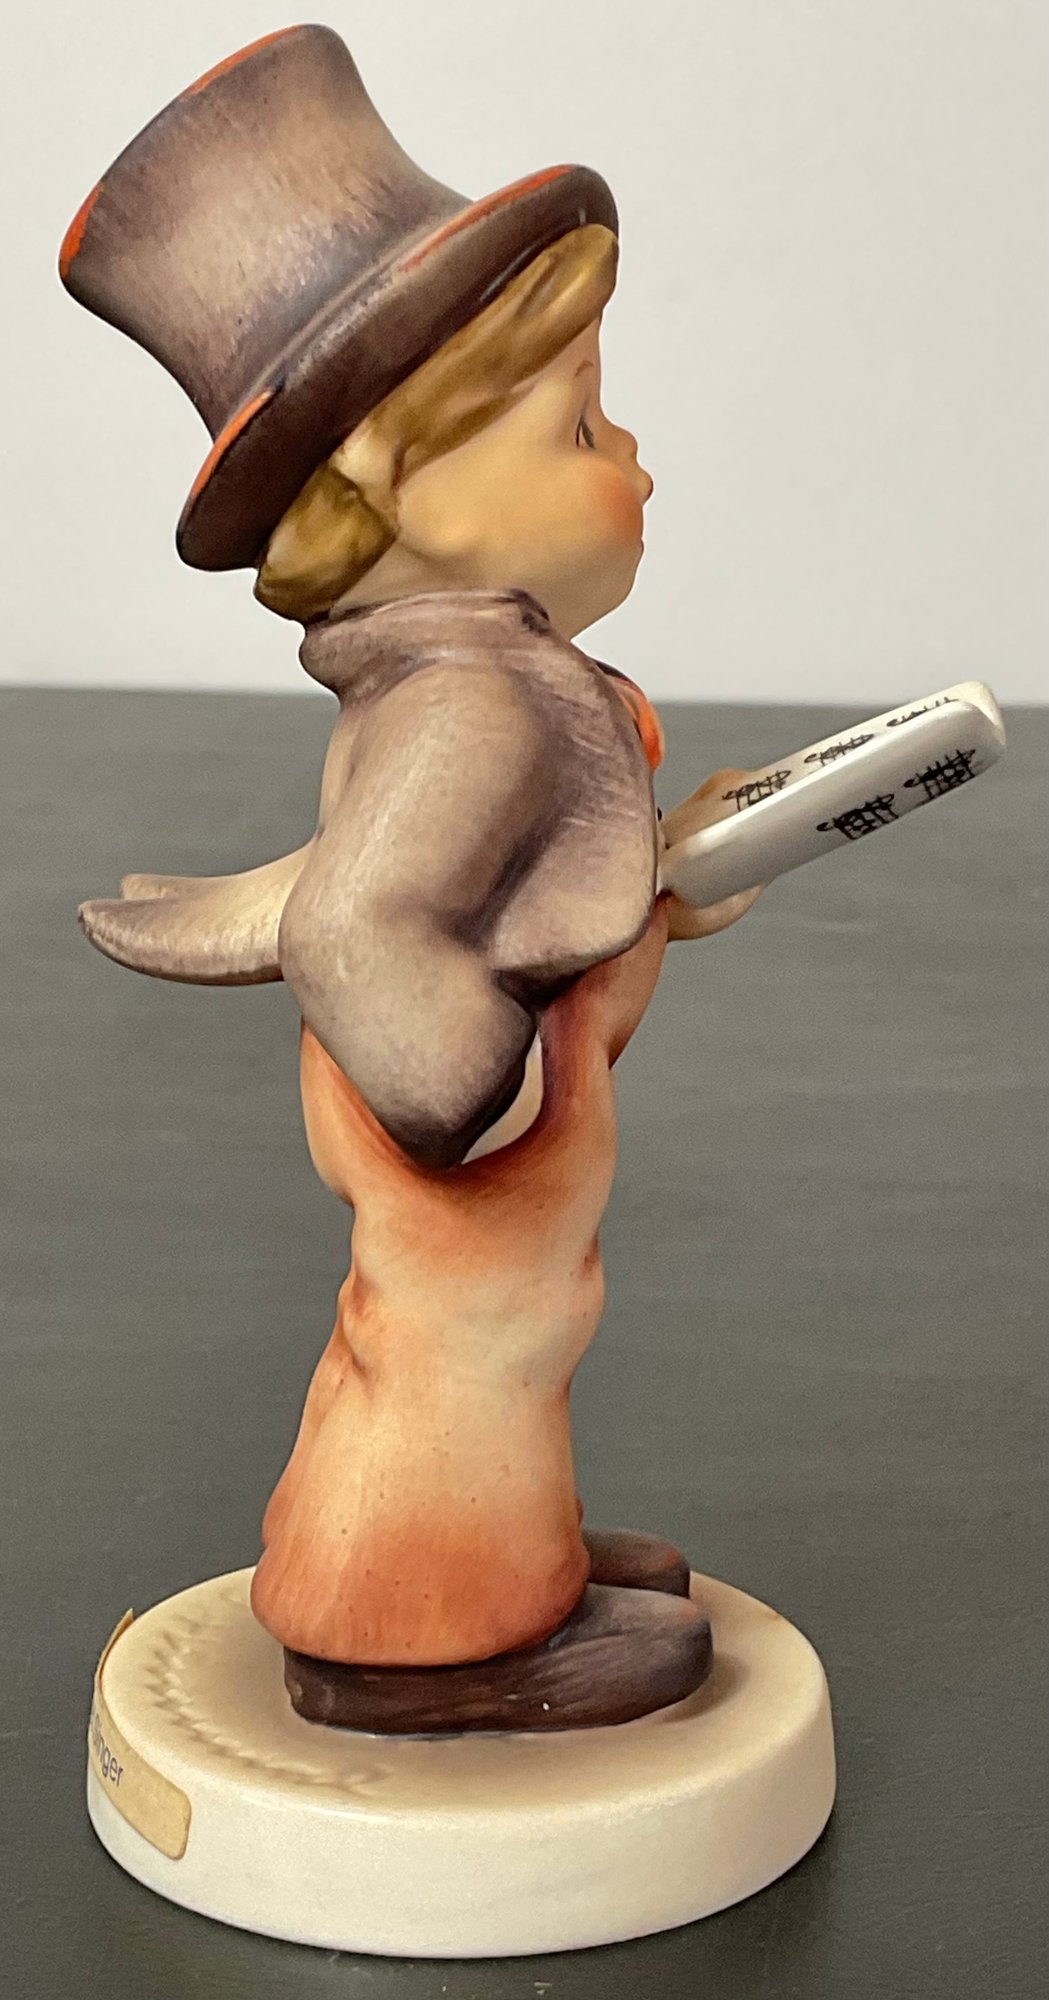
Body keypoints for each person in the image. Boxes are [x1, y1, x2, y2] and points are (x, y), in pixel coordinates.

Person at [62, 25, 759, 1728]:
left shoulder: (463, 679)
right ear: (404, 487)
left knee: (492, 1352)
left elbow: (505, 903)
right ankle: (415, 1636)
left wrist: (669, 877)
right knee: (460, 1353)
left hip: (483, 1150)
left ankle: (503, 1568)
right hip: (463, 1141)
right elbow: (357, 922)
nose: (633, 456)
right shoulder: (470, 706)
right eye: (579, 419)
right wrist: (482, 1100)